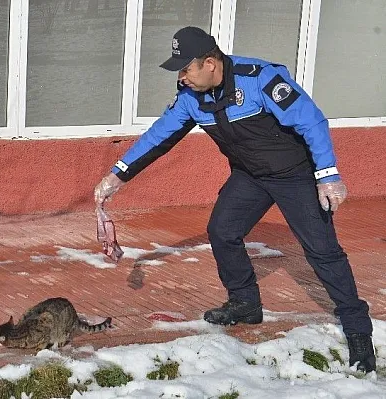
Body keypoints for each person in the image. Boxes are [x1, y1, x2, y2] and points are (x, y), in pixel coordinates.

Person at [94, 26, 376, 373]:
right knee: (223, 230)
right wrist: (117, 174)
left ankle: (358, 332)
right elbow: (158, 138)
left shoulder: (259, 80)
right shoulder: (191, 98)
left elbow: (311, 121)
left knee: (323, 252)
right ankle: (245, 303)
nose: (182, 77)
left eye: (186, 69)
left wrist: (327, 174)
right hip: (251, 176)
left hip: (295, 175)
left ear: (210, 63)